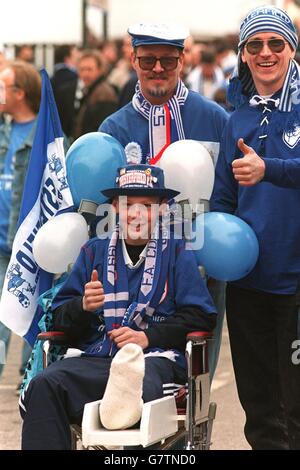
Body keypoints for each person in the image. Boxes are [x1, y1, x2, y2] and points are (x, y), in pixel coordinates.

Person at [20, 164, 217, 450]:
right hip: (99, 358)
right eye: (128, 205)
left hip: (154, 360)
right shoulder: (93, 251)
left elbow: (201, 317)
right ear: (114, 208)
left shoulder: (177, 251)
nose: (136, 214)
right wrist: (83, 306)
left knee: (138, 382)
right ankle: (117, 399)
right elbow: (58, 321)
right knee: (46, 384)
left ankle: (123, 401)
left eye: (147, 206)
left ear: (163, 208)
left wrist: (147, 337)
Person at [99, 22, 229, 378]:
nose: (158, 68)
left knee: (196, 380)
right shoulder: (113, 129)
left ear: (182, 60)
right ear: (133, 59)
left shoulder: (215, 119)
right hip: (131, 275)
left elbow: (230, 193)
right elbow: (102, 205)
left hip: (203, 271)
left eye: (168, 61)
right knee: (133, 374)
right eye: (148, 60)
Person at [210, 6, 300, 449]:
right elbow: (225, 199)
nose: (266, 53)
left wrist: (272, 169)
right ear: (243, 54)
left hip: (296, 281)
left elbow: (279, 171)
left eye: (276, 43)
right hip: (249, 284)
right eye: (255, 45)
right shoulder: (236, 119)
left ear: (292, 49)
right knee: (260, 409)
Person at [0, 61, 41, 382]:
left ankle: (28, 377)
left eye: (4, 86)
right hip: (0, 244)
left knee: (29, 314)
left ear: (20, 93)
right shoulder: (3, 130)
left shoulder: (45, 137)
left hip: (27, 244)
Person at [56, 49, 118, 141]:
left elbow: (102, 132)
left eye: (89, 69)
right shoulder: (92, 90)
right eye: (82, 69)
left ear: (99, 70)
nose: (85, 74)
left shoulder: (103, 94)